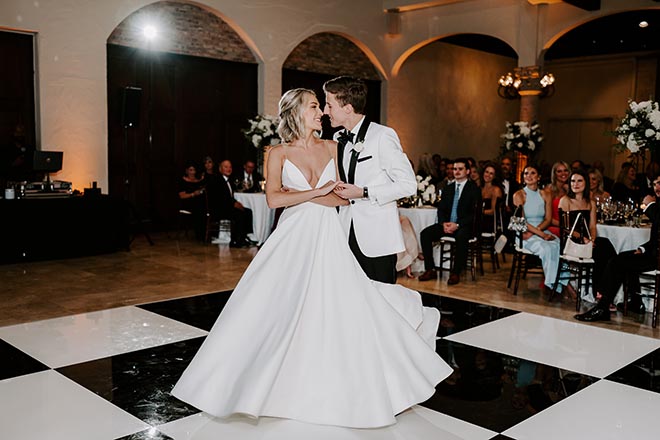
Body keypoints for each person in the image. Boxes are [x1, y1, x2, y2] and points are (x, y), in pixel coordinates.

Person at [171, 88, 451, 428]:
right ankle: (239, 382)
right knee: (272, 306)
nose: (321, 112)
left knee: (333, 304)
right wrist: (316, 192)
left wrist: (305, 195)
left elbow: (342, 200)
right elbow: (274, 200)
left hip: (328, 235)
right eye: (315, 106)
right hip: (291, 237)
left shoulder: (334, 148)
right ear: (296, 111)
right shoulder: (276, 152)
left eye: (323, 105)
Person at [323, 76, 417, 284]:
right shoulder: (339, 139)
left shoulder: (383, 135)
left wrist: (364, 192)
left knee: (382, 298)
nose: (324, 111)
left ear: (347, 108)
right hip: (345, 230)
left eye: (329, 105)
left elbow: (408, 185)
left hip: (377, 236)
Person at [575, 173, 660, 322]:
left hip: (657, 258)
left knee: (617, 262)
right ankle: (635, 301)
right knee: (623, 256)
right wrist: (642, 248)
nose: (657, 187)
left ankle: (602, 308)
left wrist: (650, 205)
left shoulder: (656, 207)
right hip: (653, 253)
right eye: (654, 184)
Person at [418, 158, 482, 285]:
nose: (456, 172)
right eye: (455, 169)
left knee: (462, 236)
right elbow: (441, 210)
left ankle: (456, 272)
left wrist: (457, 225)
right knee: (425, 233)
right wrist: (443, 224)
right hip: (447, 224)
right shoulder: (448, 188)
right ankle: (430, 269)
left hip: (464, 226)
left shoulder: (473, 189)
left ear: (467, 171)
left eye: (460, 169)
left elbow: (474, 214)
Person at [513, 164, 566, 293]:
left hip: (540, 230)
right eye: (526, 173)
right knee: (546, 248)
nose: (529, 176)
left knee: (558, 246)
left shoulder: (545, 194)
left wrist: (538, 232)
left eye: (532, 173)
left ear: (539, 177)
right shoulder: (519, 195)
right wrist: (539, 235)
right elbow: (522, 222)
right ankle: (552, 284)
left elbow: (548, 219)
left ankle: (559, 282)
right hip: (524, 233)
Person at [557, 169, 598, 299]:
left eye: (579, 181)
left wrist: (592, 240)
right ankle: (597, 292)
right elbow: (565, 227)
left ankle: (600, 291)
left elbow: (592, 226)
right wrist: (583, 239)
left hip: (587, 240)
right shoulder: (565, 200)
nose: (575, 184)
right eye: (573, 181)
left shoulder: (591, 203)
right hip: (572, 240)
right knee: (601, 252)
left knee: (606, 247)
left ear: (586, 183)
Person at [217, 159, 255, 248]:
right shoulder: (217, 180)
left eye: (230, 167)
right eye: (226, 167)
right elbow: (222, 198)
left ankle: (244, 237)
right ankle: (235, 241)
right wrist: (235, 203)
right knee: (240, 213)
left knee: (248, 211)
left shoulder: (230, 180)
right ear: (220, 169)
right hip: (220, 209)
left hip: (227, 207)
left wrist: (235, 203)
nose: (229, 169)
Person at [178, 163, 206, 241]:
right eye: (190, 170)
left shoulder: (199, 180)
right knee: (199, 209)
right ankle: (200, 235)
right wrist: (193, 194)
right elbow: (182, 196)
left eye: (194, 170)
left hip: (199, 202)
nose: (192, 172)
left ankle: (205, 233)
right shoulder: (183, 181)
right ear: (186, 171)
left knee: (203, 206)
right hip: (188, 202)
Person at [542, 161, 570, 236]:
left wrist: (570, 191)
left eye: (565, 170)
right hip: (553, 226)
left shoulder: (570, 189)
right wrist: (566, 226)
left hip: (567, 227)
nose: (563, 173)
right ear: (554, 174)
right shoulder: (549, 190)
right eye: (559, 171)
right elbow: (545, 216)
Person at [480, 162, 504, 234]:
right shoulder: (479, 188)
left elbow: (494, 211)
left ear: (495, 176)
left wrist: (479, 212)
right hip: (479, 221)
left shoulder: (496, 190)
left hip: (490, 223)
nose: (488, 175)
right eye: (486, 172)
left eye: (491, 173)